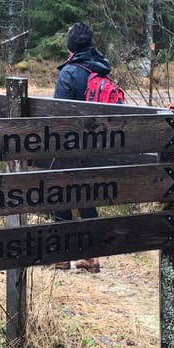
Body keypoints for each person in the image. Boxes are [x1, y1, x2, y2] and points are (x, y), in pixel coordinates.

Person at [52, 21, 111, 273]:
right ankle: (91, 255)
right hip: (96, 147)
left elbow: (58, 115)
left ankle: (62, 255)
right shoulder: (101, 68)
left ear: (71, 44)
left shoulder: (70, 72)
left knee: (59, 191)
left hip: (71, 147)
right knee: (87, 195)